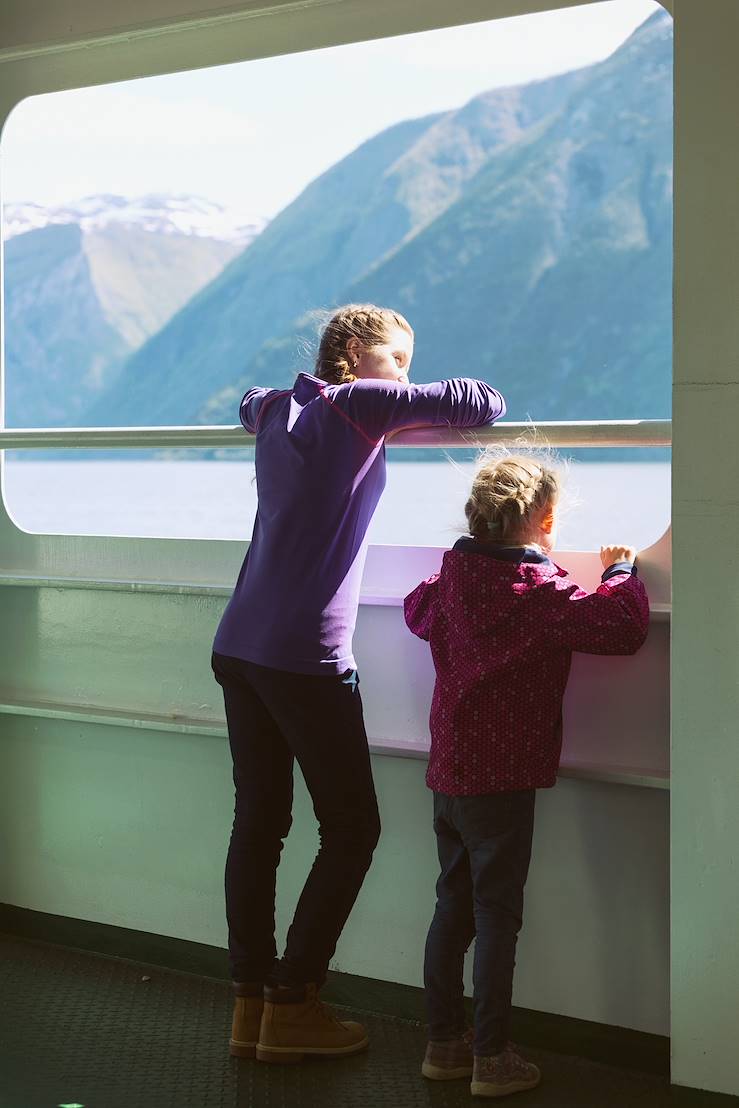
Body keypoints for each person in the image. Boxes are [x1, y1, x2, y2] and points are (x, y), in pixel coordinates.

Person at [211, 303, 506, 1065]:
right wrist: (397, 403)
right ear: (353, 351)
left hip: (238, 643)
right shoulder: (361, 404)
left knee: (260, 823)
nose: (405, 374)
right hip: (303, 656)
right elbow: (480, 402)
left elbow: (247, 403)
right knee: (351, 829)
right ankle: (294, 1002)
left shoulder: (278, 408)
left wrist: (348, 405)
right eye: (398, 358)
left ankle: (250, 1009)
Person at [403, 453, 649, 1099]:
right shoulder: (541, 595)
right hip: (504, 780)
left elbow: (415, 608)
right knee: (495, 916)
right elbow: (621, 627)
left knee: (450, 906)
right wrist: (620, 569)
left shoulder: (451, 581)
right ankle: (492, 1057)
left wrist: (450, 568)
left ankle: (442, 1045)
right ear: (545, 521)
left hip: (448, 771)